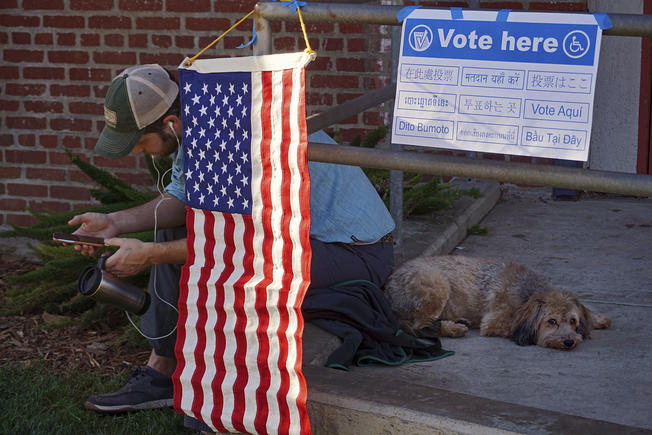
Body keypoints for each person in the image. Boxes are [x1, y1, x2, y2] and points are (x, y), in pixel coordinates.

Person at [72, 64, 396, 422]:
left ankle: (226, 403)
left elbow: (241, 244)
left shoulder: (230, 136)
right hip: (298, 240)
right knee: (169, 231)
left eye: (139, 142)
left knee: (229, 269)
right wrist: (113, 222)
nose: (136, 152)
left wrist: (150, 255)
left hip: (354, 251)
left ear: (170, 124)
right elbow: (181, 199)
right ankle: (163, 369)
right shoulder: (202, 118)